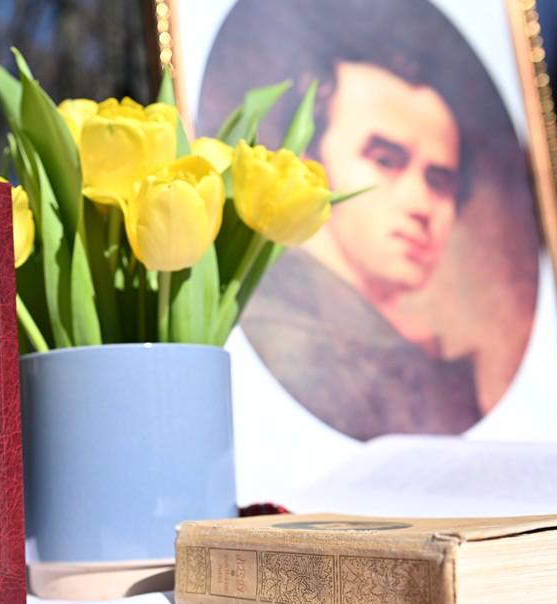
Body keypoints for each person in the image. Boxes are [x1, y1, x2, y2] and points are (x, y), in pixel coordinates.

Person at [199, 0, 539, 441]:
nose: (421, 205)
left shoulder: (418, 354)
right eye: (385, 160)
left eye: (440, 181)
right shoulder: (283, 332)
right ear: (310, 165)